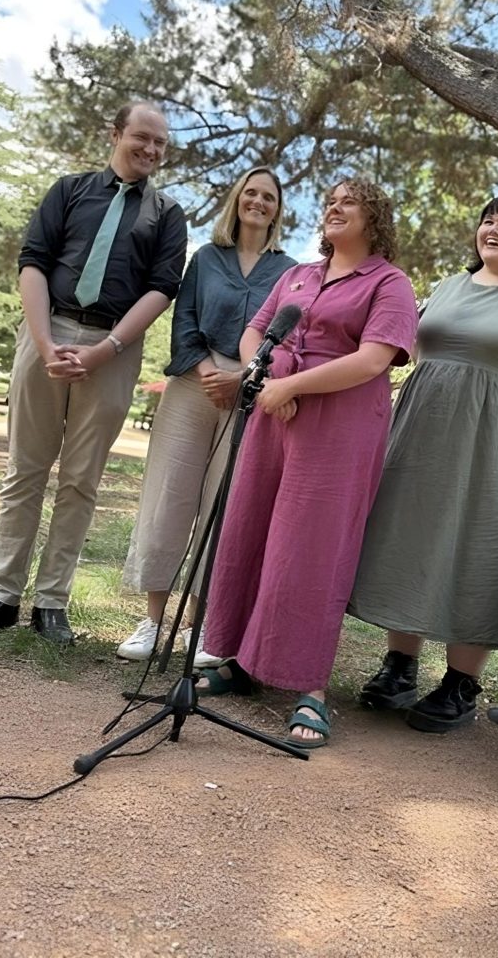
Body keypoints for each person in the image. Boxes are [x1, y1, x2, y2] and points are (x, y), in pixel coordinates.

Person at [348, 195, 498, 733]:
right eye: (487, 219)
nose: (494, 228)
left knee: (487, 544)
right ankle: (400, 665)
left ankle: (460, 684)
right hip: (423, 433)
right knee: (407, 535)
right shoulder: (450, 286)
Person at [197, 179, 419, 748]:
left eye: (348, 201)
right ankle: (243, 660)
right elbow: (254, 332)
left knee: (313, 548)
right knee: (252, 528)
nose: (334, 208)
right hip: (276, 414)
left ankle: (309, 685)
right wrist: (272, 381)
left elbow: (374, 360)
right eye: (329, 201)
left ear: (375, 217)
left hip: (340, 427)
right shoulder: (297, 274)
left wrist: (291, 383)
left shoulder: (390, 282)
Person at [0, 102, 187, 643]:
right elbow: (33, 261)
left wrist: (106, 349)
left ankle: (51, 602)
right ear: (116, 134)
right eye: (141, 138)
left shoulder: (167, 214)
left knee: (81, 480)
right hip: (47, 331)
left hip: (114, 348)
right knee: (25, 471)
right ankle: (2, 596)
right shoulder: (69, 190)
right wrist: (43, 342)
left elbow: (162, 288)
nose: (151, 150)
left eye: (160, 144)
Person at [117, 166, 296, 661]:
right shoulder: (205, 259)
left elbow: (287, 337)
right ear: (237, 199)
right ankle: (153, 621)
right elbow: (186, 321)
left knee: (225, 507)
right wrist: (205, 372)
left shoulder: (290, 271)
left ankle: (199, 627)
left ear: (278, 209)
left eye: (269, 197)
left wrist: (243, 378)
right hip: (191, 386)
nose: (258, 202)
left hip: (250, 392)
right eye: (251, 193)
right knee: (170, 496)